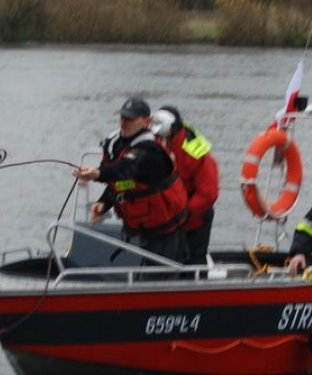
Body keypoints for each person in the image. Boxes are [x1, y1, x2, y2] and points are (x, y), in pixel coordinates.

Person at [74, 97, 188, 263]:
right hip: (145, 226)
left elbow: (124, 168)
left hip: (165, 227)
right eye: (122, 117)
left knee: (161, 275)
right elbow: (124, 183)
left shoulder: (150, 149)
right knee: (149, 270)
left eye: (130, 119)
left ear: (146, 121)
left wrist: (97, 173)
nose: (124, 122)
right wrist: (105, 203)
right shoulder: (116, 143)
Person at [152, 105, 219, 265]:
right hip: (164, 218)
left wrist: (183, 214)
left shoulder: (194, 149)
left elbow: (208, 192)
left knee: (194, 261)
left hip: (193, 217)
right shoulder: (155, 141)